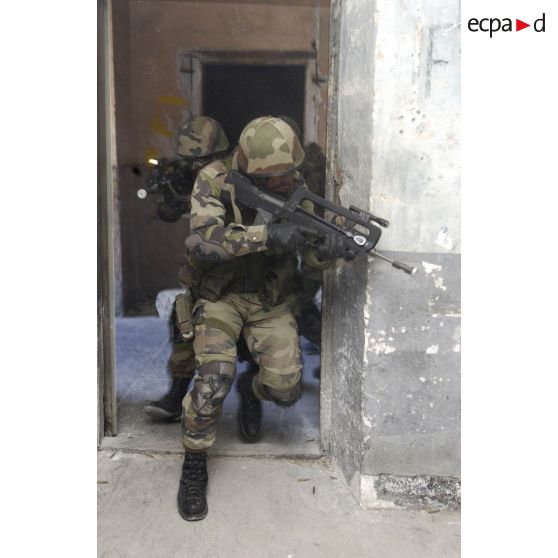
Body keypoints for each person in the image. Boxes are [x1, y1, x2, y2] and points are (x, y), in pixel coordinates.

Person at [176, 116, 356, 521]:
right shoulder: (215, 178)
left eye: (287, 175)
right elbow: (202, 242)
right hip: (219, 297)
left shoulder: (301, 193)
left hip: (270, 301)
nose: (282, 183)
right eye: (270, 178)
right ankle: (194, 464)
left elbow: (310, 261)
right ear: (245, 170)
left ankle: (251, 390)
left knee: (286, 390)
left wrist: (328, 250)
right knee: (211, 382)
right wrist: (265, 236)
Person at [143, 116, 230, 420]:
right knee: (182, 328)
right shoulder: (190, 177)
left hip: (240, 275)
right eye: (191, 160)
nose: (197, 167)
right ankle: (176, 393)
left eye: (203, 160)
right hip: (202, 274)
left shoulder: (234, 179)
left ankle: (252, 394)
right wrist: (171, 192)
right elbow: (168, 213)